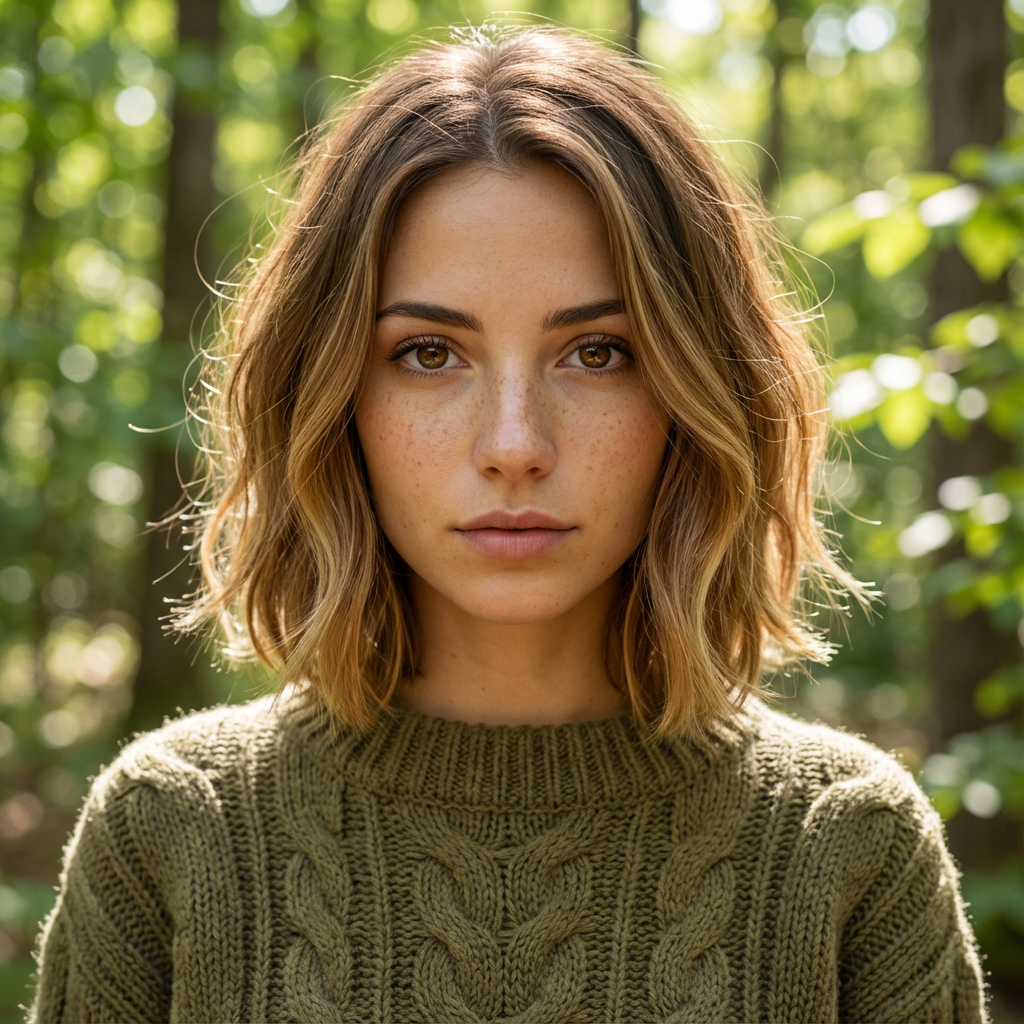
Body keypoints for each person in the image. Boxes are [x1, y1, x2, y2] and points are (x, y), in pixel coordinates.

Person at [29, 25, 985, 1024]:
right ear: (330, 392)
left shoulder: (847, 842)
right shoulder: (172, 828)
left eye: (600, 352)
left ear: (697, 390)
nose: (515, 443)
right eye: (430, 353)